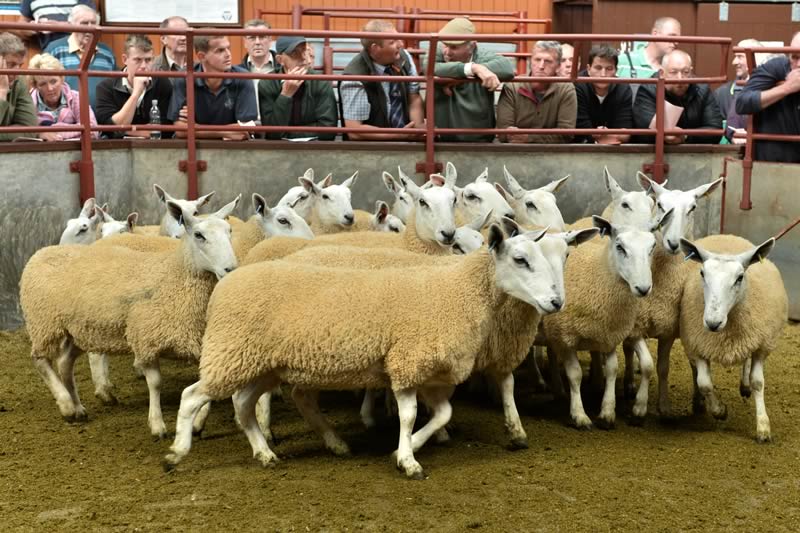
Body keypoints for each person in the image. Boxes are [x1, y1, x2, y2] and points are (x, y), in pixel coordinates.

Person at [430, 17, 514, 142]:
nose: (447, 52)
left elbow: (507, 68)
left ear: (472, 46)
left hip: (479, 141)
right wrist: (473, 69)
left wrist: (459, 77)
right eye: (445, 45)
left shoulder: (482, 56)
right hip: (441, 140)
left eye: (454, 47)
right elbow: (429, 67)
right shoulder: (437, 50)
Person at [339, 19, 424, 141]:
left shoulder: (404, 57)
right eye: (392, 42)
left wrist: (417, 130)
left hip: (407, 140)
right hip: (371, 150)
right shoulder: (354, 77)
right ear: (375, 48)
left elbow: (414, 97)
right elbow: (355, 130)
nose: (401, 44)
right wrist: (398, 135)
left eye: (399, 38)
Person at [168, 33, 258, 140]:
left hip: (231, 149)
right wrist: (223, 131)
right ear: (202, 56)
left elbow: (244, 131)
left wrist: (196, 128)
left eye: (228, 48)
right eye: (220, 51)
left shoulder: (242, 78)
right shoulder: (185, 78)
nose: (228, 54)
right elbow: (181, 131)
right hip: (193, 148)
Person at [633, 50, 723, 144]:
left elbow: (715, 129)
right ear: (661, 73)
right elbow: (644, 132)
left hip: (695, 153)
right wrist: (665, 136)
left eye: (685, 72)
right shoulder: (648, 89)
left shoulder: (702, 89)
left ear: (691, 72)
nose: (680, 78)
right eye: (673, 72)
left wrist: (685, 136)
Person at [736, 32, 800, 163]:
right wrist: (786, 88)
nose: (799, 64)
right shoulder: (777, 66)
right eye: (794, 57)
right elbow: (742, 103)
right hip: (774, 162)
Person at [496, 41, 576, 143]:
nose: (541, 66)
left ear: (558, 66)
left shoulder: (566, 89)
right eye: (537, 59)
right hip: (515, 150)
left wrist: (529, 138)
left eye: (548, 61)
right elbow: (503, 134)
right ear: (530, 61)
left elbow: (567, 134)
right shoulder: (512, 86)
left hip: (551, 153)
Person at [95, 35, 173, 139]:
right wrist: (135, 94)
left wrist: (127, 130)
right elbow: (111, 129)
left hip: (155, 148)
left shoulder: (162, 83)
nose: (144, 66)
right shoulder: (105, 87)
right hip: (117, 150)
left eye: (148, 60)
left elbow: (165, 129)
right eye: (138, 60)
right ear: (125, 59)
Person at [259, 36, 337, 140]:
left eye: (304, 51)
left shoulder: (320, 82)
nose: (303, 58)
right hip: (277, 150)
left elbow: (328, 130)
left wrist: (288, 133)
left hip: (316, 149)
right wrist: (285, 95)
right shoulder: (267, 83)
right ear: (280, 60)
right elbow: (272, 134)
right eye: (295, 53)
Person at [43, 4, 116, 108]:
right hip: (66, 119)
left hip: (102, 119)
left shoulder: (107, 53)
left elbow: (115, 87)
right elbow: (42, 86)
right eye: (84, 23)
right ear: (71, 25)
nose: (90, 28)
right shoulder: (55, 50)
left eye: (93, 23)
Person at [27, 52, 98, 140]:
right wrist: (39, 134)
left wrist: (55, 131)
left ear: (61, 78)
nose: (50, 88)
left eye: (53, 81)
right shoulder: (28, 102)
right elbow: (22, 132)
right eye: (43, 84)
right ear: (35, 85)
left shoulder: (75, 97)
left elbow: (92, 130)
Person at [574, 44, 632, 144]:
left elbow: (626, 132)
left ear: (616, 70)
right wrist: (599, 135)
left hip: (614, 149)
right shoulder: (577, 85)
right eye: (598, 68)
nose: (603, 74)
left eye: (609, 69)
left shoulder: (623, 88)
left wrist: (604, 135)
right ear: (588, 69)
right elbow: (580, 128)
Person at [716, 39, 769, 144]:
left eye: (740, 56)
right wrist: (733, 136)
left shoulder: (774, 88)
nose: (734, 62)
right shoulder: (721, 94)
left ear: (756, 58)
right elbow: (721, 133)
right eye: (735, 56)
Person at [0, 32, 38, 141]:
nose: (16, 71)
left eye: (19, 65)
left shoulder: (19, 80)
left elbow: (29, 130)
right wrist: (2, 91)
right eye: (10, 64)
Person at [15, 0, 96, 50]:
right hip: (48, 51)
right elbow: (21, 25)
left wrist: (56, 26)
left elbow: (90, 21)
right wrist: (32, 28)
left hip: (79, 49)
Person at [617, 17, 681, 80]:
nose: (676, 42)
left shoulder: (675, 68)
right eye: (672, 36)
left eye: (678, 38)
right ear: (655, 34)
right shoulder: (624, 60)